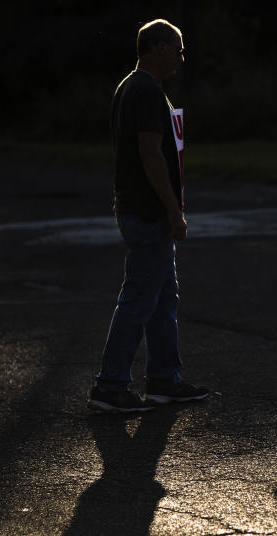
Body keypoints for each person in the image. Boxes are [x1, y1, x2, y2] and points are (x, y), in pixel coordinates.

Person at [88, 19, 208, 413]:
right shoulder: (146, 91)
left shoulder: (132, 87)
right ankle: (111, 384)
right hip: (148, 210)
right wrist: (174, 210)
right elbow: (150, 154)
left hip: (139, 206)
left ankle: (163, 379)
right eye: (178, 49)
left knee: (161, 296)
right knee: (140, 296)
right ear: (158, 48)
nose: (181, 57)